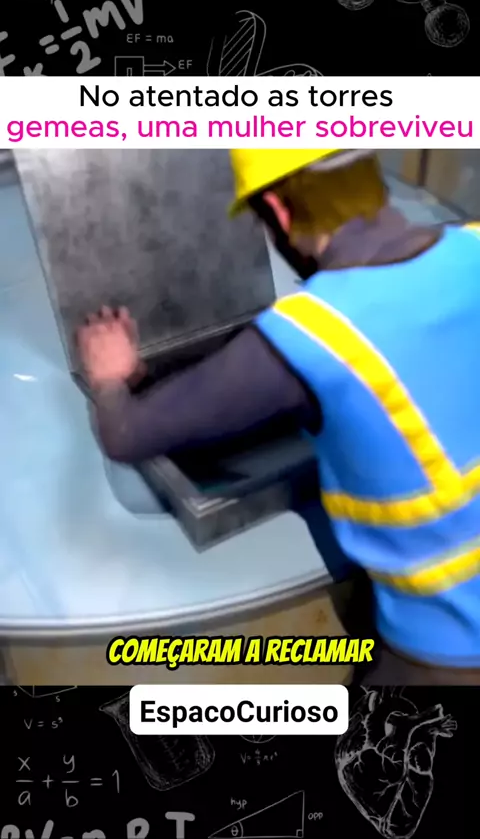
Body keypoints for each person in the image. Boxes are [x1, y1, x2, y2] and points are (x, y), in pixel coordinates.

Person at [77, 148, 480, 685]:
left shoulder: (316, 332)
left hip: (446, 646)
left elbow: (126, 434)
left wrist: (109, 377)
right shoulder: (472, 244)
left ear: (279, 210)